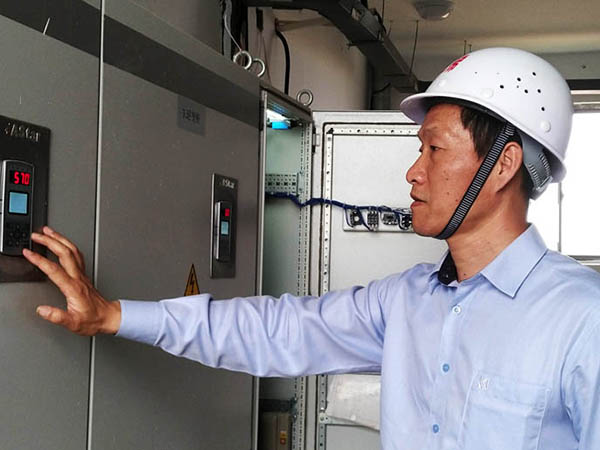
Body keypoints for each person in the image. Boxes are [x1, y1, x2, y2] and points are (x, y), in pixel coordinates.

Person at [24, 48, 600, 449]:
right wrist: (114, 315)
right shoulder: (407, 303)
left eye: (434, 149)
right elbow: (275, 330)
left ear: (503, 164)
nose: (413, 172)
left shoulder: (582, 318)